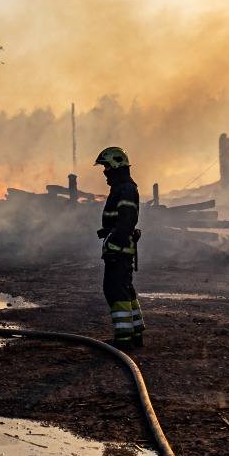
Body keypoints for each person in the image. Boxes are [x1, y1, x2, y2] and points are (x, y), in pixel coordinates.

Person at [95, 146, 144, 346]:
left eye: (106, 167)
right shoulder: (123, 188)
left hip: (119, 250)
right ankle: (136, 333)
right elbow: (121, 221)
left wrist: (113, 242)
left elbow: (127, 221)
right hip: (121, 248)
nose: (104, 172)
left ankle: (124, 338)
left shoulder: (125, 189)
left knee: (115, 290)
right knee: (125, 289)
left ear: (116, 166)